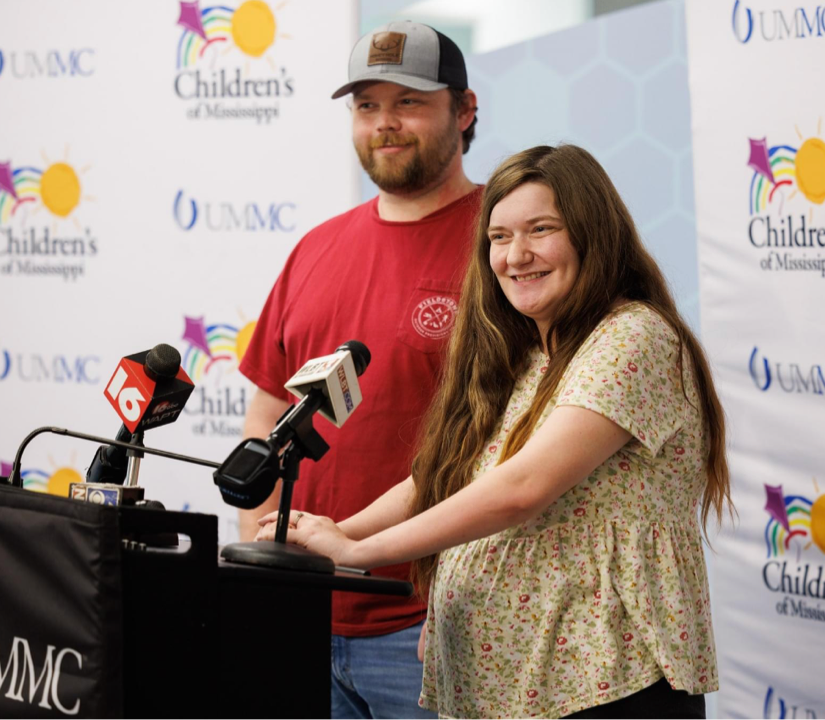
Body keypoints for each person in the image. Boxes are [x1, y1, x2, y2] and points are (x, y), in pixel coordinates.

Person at [258, 144, 729, 719]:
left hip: (606, 686)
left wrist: (359, 552)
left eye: (541, 229)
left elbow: (521, 488)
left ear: (592, 235)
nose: (517, 255)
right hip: (507, 686)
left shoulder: (634, 339)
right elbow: (439, 478)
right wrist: (334, 533)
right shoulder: (530, 353)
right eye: (499, 237)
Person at [237, 20, 479, 719]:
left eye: (407, 102)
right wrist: (261, 541)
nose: (385, 124)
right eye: (367, 105)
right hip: (297, 616)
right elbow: (265, 410)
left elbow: (510, 443)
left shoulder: (508, 243)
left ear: (464, 112)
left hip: (434, 626)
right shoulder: (316, 247)